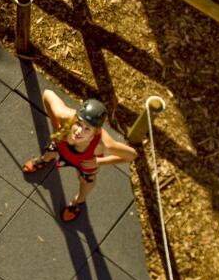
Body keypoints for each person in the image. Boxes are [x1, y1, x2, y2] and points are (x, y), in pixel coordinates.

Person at [24, 92, 137, 223]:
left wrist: (99, 161)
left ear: (95, 132)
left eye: (87, 129)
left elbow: (131, 155)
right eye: (78, 123)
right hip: (62, 148)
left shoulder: (104, 144)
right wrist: (55, 126)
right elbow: (47, 95)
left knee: (87, 181)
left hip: (85, 162)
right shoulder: (65, 116)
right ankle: (43, 161)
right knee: (50, 151)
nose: (79, 131)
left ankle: (79, 201)